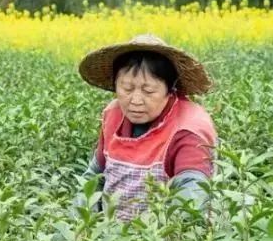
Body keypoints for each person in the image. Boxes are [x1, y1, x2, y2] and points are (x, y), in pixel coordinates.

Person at [74, 34, 217, 221]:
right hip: (110, 238)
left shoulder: (188, 128)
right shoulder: (113, 114)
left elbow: (191, 200)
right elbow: (93, 177)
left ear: (170, 88)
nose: (135, 100)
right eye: (126, 88)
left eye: (148, 91)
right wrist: (84, 224)